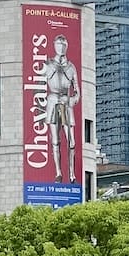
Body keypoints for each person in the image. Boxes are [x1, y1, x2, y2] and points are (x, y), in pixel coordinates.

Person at [42, 33, 80, 183]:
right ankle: (58, 172)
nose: (61, 47)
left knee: (71, 141)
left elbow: (77, 90)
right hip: (52, 101)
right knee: (55, 140)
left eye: (63, 44)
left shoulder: (71, 67)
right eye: (59, 44)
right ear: (54, 45)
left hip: (66, 101)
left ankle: (72, 173)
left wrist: (72, 100)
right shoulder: (48, 65)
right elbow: (39, 85)